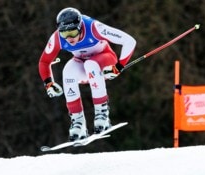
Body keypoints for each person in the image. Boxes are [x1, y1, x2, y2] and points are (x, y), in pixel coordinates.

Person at [38, 7, 136, 141]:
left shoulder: (94, 28)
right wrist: (48, 83)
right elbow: (44, 61)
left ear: (80, 27)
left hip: (105, 60)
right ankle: (78, 123)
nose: (69, 38)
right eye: (64, 34)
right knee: (68, 71)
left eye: (72, 32)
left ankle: (102, 115)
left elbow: (129, 41)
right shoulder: (57, 38)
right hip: (83, 64)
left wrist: (118, 66)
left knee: (91, 65)